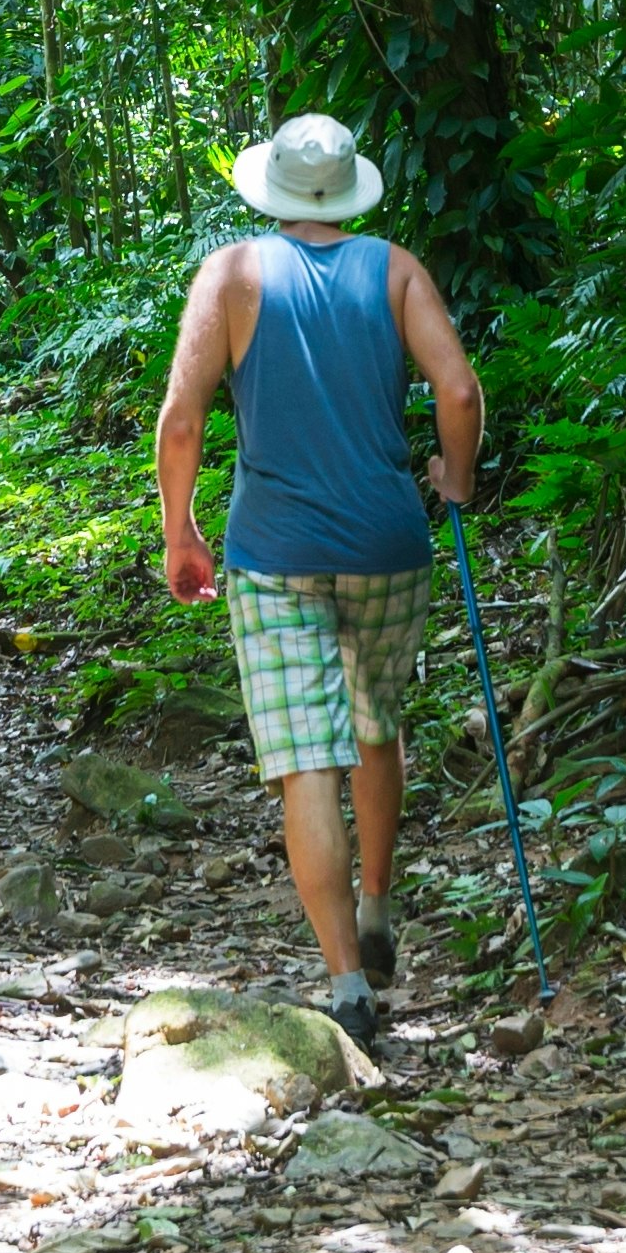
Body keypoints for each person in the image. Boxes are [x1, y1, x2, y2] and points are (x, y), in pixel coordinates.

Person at [154, 110, 482, 1043]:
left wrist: (180, 532)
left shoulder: (232, 275)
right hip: (388, 546)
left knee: (306, 759)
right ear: (346, 190)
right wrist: (454, 477)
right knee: (376, 721)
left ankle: (346, 981)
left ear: (272, 191)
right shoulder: (395, 268)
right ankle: (378, 903)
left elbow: (183, 419)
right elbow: (458, 391)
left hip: (275, 554)